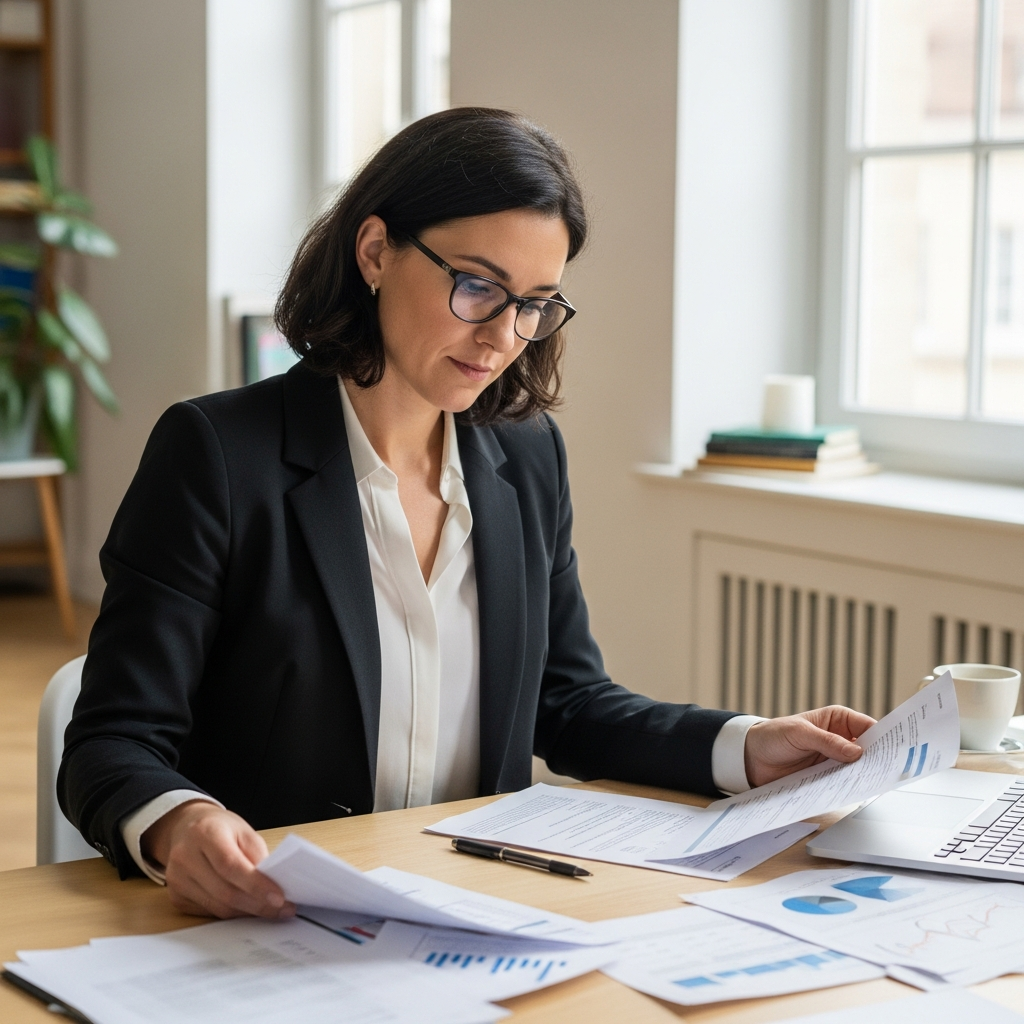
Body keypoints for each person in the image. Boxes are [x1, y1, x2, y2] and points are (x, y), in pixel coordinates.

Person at [59, 107, 874, 921]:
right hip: (275, 923)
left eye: (535, 303)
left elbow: (570, 703)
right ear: (375, 251)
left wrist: (746, 746)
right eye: (477, 286)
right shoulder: (218, 454)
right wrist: (178, 821)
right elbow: (111, 743)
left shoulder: (525, 456)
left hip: (471, 917)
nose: (503, 336)